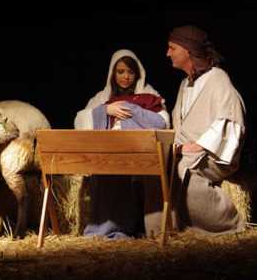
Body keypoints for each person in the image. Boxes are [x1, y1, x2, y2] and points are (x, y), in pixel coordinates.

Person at [74, 49, 170, 239]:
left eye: (130, 72)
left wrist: (132, 110)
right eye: (120, 72)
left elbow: (163, 122)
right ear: (112, 73)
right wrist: (106, 110)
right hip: (108, 153)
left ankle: (136, 227)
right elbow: (80, 121)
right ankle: (106, 228)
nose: (126, 77)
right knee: (105, 173)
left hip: (138, 154)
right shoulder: (102, 97)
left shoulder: (149, 94)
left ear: (137, 74)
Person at [167, 25, 246, 235]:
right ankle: (166, 229)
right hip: (186, 152)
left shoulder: (217, 79)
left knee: (185, 172)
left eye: (172, 48)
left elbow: (230, 117)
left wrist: (200, 145)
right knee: (160, 170)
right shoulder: (185, 84)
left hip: (213, 154)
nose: (168, 53)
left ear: (188, 50)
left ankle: (229, 221)